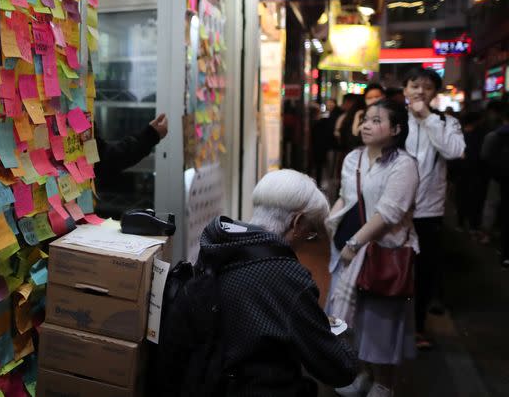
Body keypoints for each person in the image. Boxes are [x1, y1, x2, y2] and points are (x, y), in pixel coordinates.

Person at [170, 170, 358, 396]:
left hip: (208, 383)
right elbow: (339, 369)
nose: (306, 240)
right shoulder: (288, 278)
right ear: (296, 223)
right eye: (309, 234)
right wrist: (341, 335)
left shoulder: (217, 247)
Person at [326, 99, 419, 397]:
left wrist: (356, 242)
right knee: (354, 320)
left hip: (382, 251)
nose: (366, 124)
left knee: (381, 323)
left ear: (396, 129)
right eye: (365, 119)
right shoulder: (353, 158)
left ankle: (384, 383)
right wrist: (328, 223)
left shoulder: (404, 165)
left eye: (376, 120)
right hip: (346, 249)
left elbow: (388, 214)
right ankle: (364, 373)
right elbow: (345, 197)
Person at [403, 68, 465, 349]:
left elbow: (454, 151)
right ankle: (393, 328)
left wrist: (427, 119)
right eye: (414, 85)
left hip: (428, 211)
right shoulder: (395, 120)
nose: (419, 92)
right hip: (394, 210)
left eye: (426, 87)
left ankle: (417, 326)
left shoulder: (445, 122)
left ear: (434, 94)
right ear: (405, 90)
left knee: (424, 272)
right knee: (391, 268)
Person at [480, 102, 509, 268]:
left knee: (493, 205)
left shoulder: (494, 135)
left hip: (499, 178)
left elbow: (485, 156)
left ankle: (487, 234)